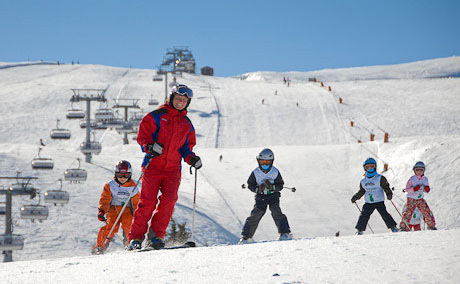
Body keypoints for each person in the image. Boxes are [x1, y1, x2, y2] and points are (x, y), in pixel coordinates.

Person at [127, 84, 202, 250]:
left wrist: (192, 159)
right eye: (178, 99)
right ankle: (135, 239)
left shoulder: (187, 124)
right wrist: (150, 147)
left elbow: (185, 148)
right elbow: (143, 137)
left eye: (184, 100)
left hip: (173, 170)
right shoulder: (156, 116)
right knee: (147, 202)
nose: (180, 102)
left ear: (187, 103)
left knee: (169, 202)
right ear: (171, 98)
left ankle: (155, 237)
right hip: (153, 165)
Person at [239, 148, 291, 244]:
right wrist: (257, 189)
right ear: (258, 161)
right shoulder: (256, 172)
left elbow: (280, 185)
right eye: (263, 162)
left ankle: (285, 233)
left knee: (276, 211)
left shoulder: (275, 172)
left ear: (272, 161)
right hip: (260, 197)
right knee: (256, 214)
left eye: (267, 162)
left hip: (273, 196)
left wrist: (272, 187)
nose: (265, 164)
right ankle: (246, 237)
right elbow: (250, 185)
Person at [93, 160, 140, 254]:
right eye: (120, 175)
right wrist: (102, 211)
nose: (122, 178)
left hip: (127, 209)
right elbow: (105, 199)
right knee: (111, 226)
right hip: (113, 209)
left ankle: (131, 243)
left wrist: (137, 214)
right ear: (115, 174)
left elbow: (136, 202)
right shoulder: (110, 186)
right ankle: (100, 246)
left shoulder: (133, 187)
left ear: (130, 175)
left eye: (126, 176)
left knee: (129, 225)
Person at [351, 157, 398, 235]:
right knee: (364, 215)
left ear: (375, 167)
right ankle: (359, 230)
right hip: (369, 202)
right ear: (364, 169)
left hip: (379, 201)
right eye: (367, 167)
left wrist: (389, 194)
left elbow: (386, 187)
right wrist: (356, 197)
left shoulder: (380, 178)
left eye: (371, 166)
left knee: (384, 214)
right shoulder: (363, 181)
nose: (370, 169)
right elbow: (362, 191)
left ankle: (393, 227)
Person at [399, 161, 436, 231]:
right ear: (414, 171)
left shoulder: (425, 179)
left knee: (426, 211)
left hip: (420, 198)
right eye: (417, 170)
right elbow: (407, 189)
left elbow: (426, 188)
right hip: (411, 198)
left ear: (424, 171)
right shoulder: (412, 179)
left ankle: (431, 225)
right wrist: (414, 189)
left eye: (421, 170)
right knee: (408, 212)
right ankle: (403, 226)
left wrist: (426, 189)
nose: (419, 172)